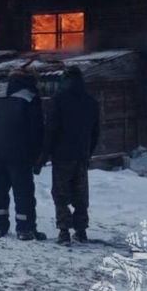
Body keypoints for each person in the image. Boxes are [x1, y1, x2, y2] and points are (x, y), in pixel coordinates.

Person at [0, 68, 46, 240]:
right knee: (23, 191)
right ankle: (25, 229)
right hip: (19, 153)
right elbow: (36, 129)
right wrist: (36, 154)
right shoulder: (29, 96)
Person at [45, 66, 101, 245]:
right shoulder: (91, 101)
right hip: (82, 155)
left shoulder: (58, 100)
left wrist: (45, 154)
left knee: (60, 195)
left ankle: (64, 232)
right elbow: (95, 132)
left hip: (62, 156)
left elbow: (51, 130)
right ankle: (81, 231)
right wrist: (88, 152)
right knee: (81, 195)